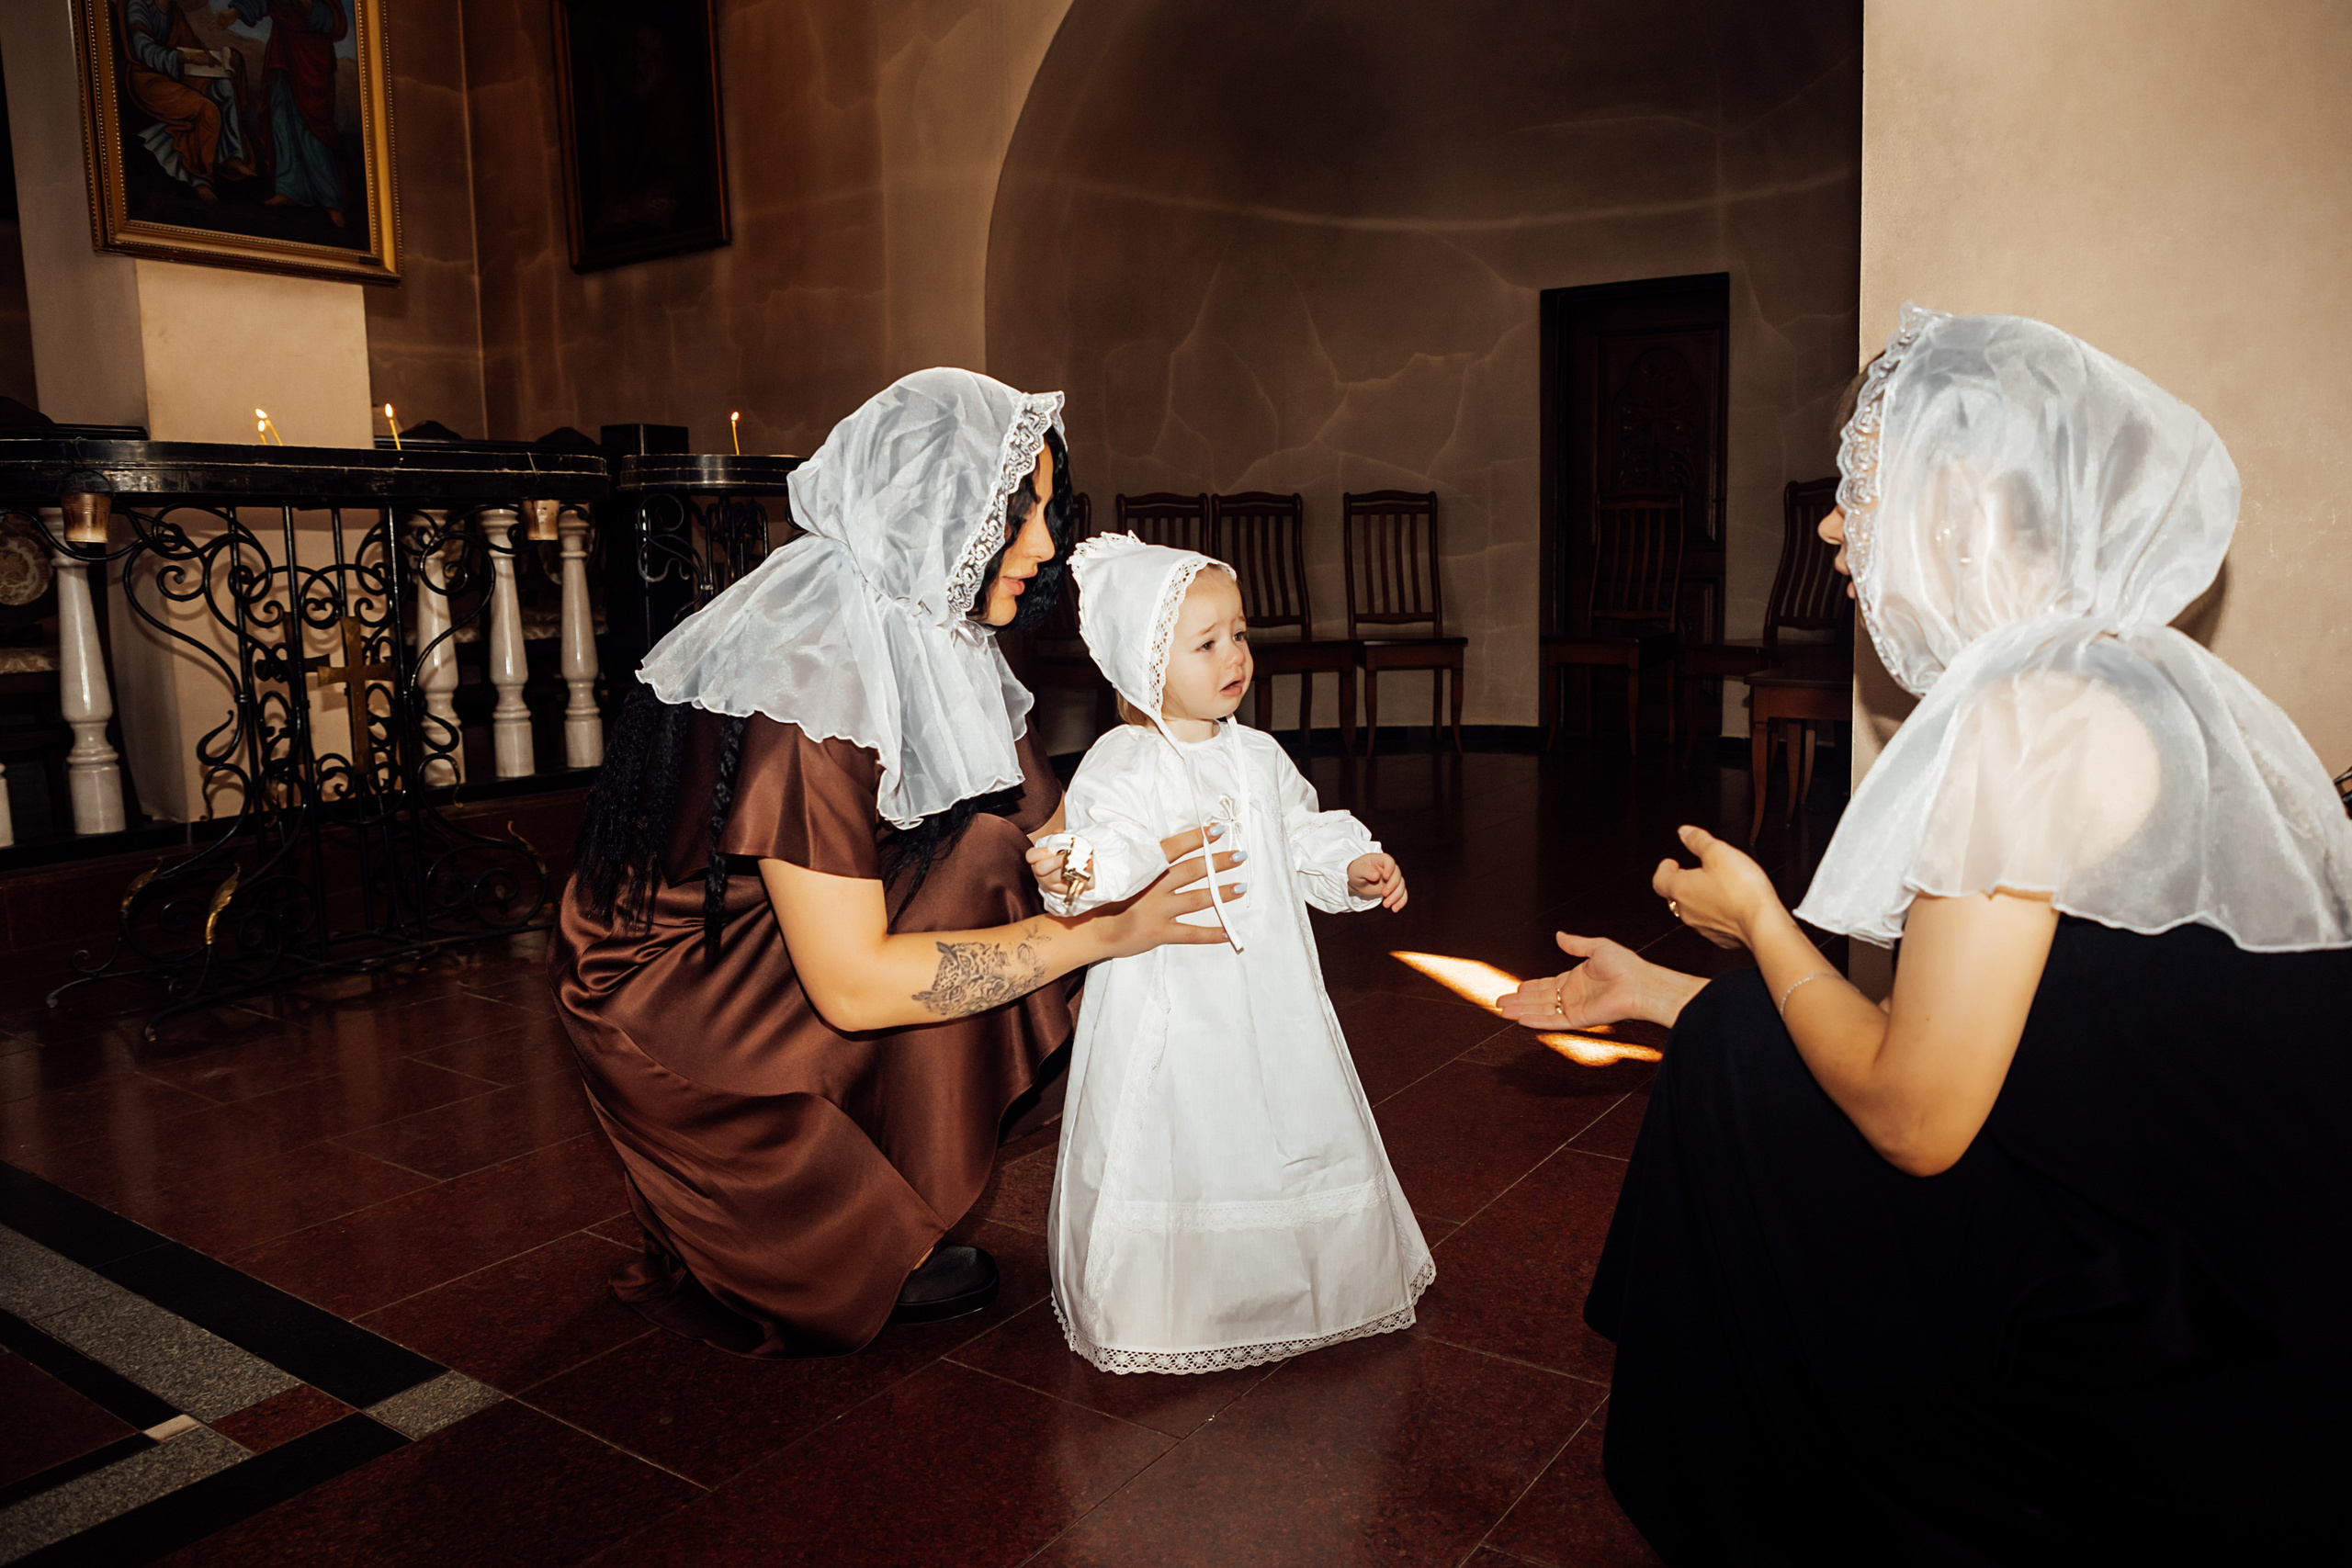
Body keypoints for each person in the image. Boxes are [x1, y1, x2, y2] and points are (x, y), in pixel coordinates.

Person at [1502, 308, 2352, 1560]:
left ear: (1958, 499)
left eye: (1859, 483)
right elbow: (1996, 1044)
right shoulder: (2115, 671)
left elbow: (1916, 1113)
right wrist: (1666, 992)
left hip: (2203, 1324)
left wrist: (1761, 922)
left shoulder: (2033, 722)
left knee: (1744, 1052)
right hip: (2221, 1235)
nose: (1835, 525)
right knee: (1733, 1031)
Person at [551, 371, 1240, 1358]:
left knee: (998, 854)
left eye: (1048, 509)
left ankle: (899, 1174)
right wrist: (1105, 933)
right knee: (987, 885)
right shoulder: (810, 686)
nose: (1043, 544)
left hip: (780, 941)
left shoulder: (930, 625)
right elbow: (855, 985)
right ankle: (833, 1217)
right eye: (1016, 512)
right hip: (674, 1002)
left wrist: (1148, 865)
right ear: (930, 511)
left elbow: (1050, 846)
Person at [1029, 533, 1430, 1374]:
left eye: (1239, 634)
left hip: (1271, 990)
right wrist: (1090, 865)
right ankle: (1174, 1304)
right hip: (1171, 994)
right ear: (1145, 663)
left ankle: (1300, 1284)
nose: (1233, 656)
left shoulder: (1258, 755)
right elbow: (1086, 856)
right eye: (1205, 643)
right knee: (1186, 1131)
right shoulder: (1122, 761)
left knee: (1281, 1124)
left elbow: (1297, 828)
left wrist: (1351, 865)